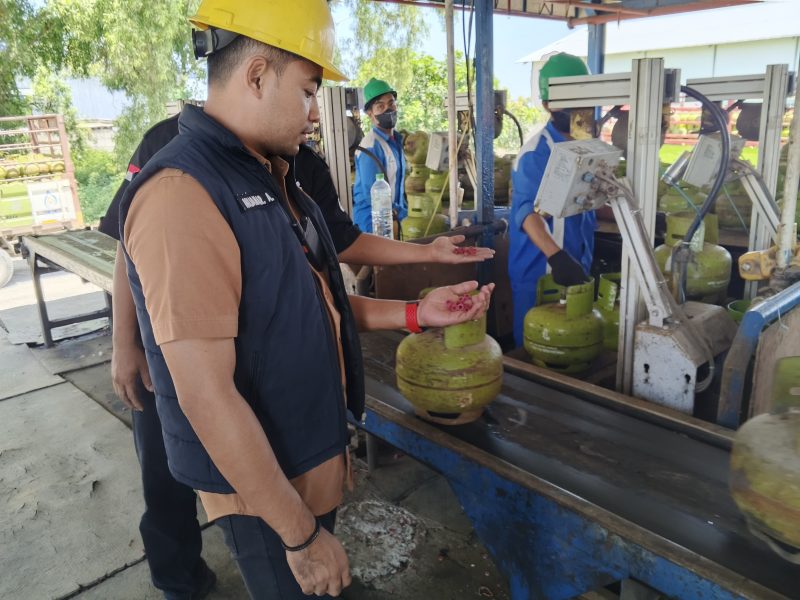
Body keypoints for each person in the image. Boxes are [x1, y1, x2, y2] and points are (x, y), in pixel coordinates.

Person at [116, 1, 494, 598]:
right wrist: (299, 537)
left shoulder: (270, 176)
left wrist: (419, 314)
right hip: (266, 490)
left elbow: (310, 310)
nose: (316, 114)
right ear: (258, 74)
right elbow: (206, 394)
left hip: (302, 458)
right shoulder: (182, 195)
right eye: (309, 91)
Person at [508, 52, 596, 347]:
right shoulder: (537, 153)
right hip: (540, 274)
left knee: (572, 348)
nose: (576, 107)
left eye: (581, 96)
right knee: (537, 353)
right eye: (565, 99)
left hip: (575, 265)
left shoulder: (586, 148)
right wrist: (557, 258)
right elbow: (527, 214)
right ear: (547, 105)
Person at [352, 77, 407, 234]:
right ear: (370, 113)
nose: (388, 110)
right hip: (372, 225)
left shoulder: (395, 141)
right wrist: (404, 214)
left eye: (391, 103)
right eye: (380, 106)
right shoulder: (370, 146)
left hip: (392, 221)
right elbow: (376, 197)